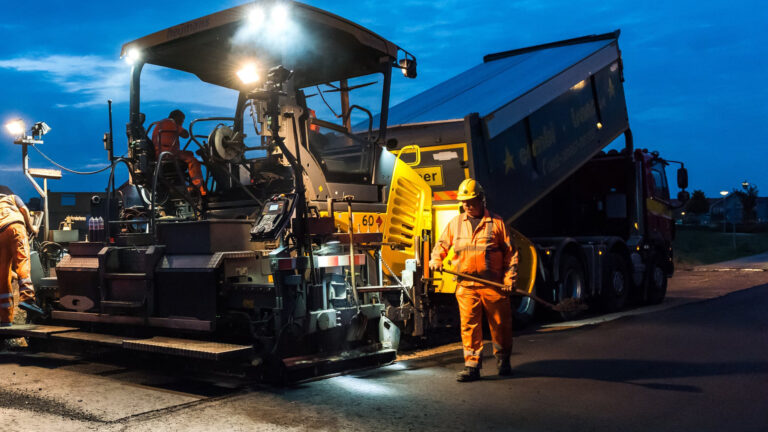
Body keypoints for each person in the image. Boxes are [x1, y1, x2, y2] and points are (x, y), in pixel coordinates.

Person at [429, 178, 518, 382]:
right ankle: (472, 366)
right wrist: (436, 259)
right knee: (469, 326)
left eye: (470, 201)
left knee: (500, 324)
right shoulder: (455, 224)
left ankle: (503, 359)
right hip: (466, 286)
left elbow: (511, 254)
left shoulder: (497, 223)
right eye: (464, 202)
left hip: (493, 286)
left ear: (481, 199)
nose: (467, 206)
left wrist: (509, 278)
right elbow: (441, 245)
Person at [0, 185, 45, 327]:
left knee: (3, 275)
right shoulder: (13, 198)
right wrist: (32, 228)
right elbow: (24, 210)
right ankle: (27, 298)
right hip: (15, 227)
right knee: (22, 261)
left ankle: (6, 319)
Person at [151, 109, 207, 196]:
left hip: (161, 153)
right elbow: (186, 134)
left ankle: (188, 184)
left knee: (190, 153)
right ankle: (199, 188)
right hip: (168, 153)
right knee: (193, 160)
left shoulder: (160, 123)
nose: (182, 123)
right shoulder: (171, 123)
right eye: (181, 120)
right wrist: (179, 127)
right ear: (176, 118)